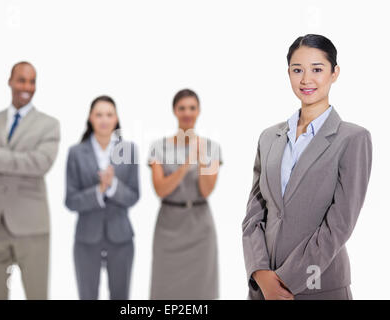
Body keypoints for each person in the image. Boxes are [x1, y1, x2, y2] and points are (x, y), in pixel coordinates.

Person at [242, 34, 372, 300]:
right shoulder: (269, 137)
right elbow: (254, 215)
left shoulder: (352, 138)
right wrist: (260, 273)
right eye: (297, 70)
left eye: (317, 69)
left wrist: (286, 280)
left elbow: (340, 225)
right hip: (262, 291)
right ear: (288, 73)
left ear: (334, 73)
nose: (306, 79)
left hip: (320, 287)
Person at [0, 61, 60, 299]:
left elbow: (39, 164)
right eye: (21, 80)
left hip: (30, 225)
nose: (27, 86)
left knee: (36, 294)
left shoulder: (48, 125)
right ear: (10, 81)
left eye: (32, 81)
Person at [148, 89, 222, 299]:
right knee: (165, 286)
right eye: (182, 108)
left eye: (192, 108)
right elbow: (160, 189)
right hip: (169, 226)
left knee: (202, 288)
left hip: (199, 226)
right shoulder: (158, 147)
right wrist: (185, 164)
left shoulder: (211, 148)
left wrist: (200, 162)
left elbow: (207, 190)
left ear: (198, 111)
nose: (187, 113)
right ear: (174, 111)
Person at [65, 95, 139, 300]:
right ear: (90, 118)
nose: (104, 120)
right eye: (99, 114)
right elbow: (70, 200)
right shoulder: (76, 153)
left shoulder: (129, 150)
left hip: (121, 237)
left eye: (109, 114)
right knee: (87, 295)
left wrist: (113, 186)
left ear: (116, 119)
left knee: (121, 297)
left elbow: (134, 195)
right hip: (86, 238)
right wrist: (99, 190)